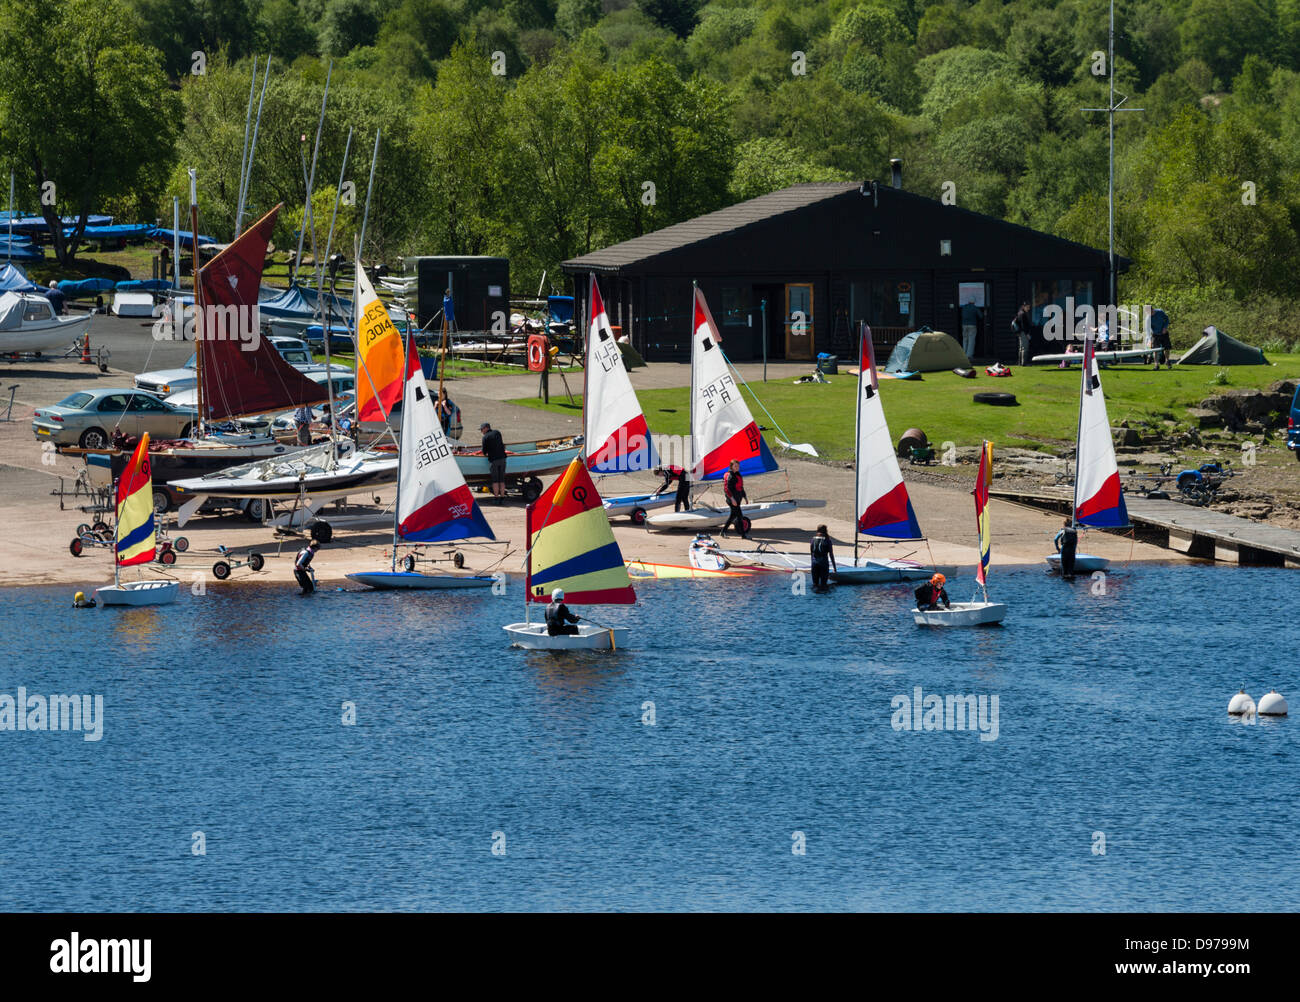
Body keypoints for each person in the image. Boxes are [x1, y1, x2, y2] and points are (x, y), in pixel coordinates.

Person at [721, 459, 747, 538]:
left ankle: (723, 532)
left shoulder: (738, 474)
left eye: (738, 466)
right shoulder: (730, 475)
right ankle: (743, 535)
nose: (737, 467)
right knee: (739, 516)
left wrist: (745, 497)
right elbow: (727, 489)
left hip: (737, 499)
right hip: (731, 499)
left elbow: (741, 487)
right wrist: (732, 499)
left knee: (733, 516)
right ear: (731, 466)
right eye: (735, 466)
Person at [481, 422, 507, 501]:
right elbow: (502, 445)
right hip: (503, 459)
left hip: (494, 460)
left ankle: (496, 498)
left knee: (495, 481)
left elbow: (484, 452)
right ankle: (502, 497)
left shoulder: (485, 437)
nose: (481, 431)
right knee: (502, 480)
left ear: (486, 428)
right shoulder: (497, 432)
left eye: (482, 429)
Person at [810, 524, 837, 592]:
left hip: (814, 564)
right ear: (826, 531)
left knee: (815, 585)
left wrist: (812, 564)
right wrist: (834, 567)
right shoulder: (827, 540)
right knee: (824, 585)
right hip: (823, 564)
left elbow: (811, 553)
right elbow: (831, 554)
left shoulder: (813, 539)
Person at [1012, 301, 1032, 366]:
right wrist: (1027, 334)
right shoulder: (1023, 314)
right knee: (1025, 348)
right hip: (1023, 333)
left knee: (1021, 348)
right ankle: (1024, 363)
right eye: (1027, 307)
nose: (1028, 308)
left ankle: (1020, 363)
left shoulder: (1020, 313)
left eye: (1029, 307)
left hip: (1021, 333)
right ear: (1023, 306)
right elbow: (1024, 326)